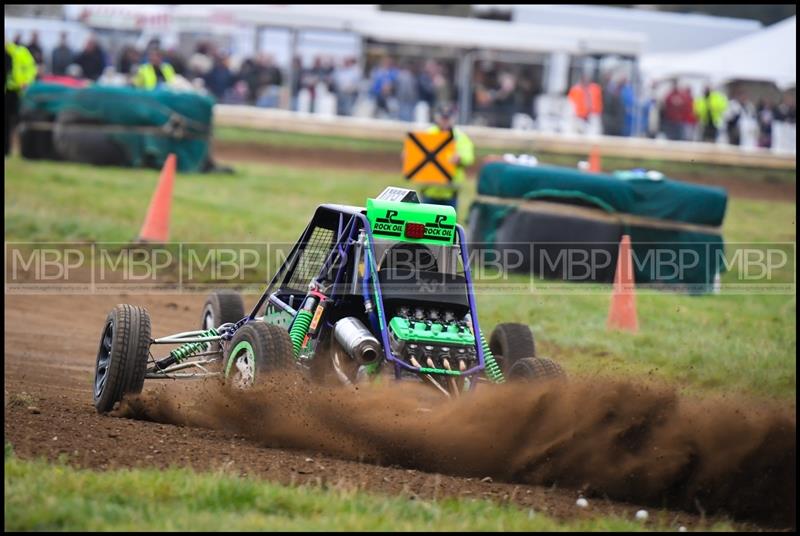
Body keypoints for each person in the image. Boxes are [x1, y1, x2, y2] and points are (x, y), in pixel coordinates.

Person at [415, 104, 475, 213]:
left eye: (448, 118)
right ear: (437, 117)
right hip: (429, 190)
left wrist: (460, 158)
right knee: (425, 225)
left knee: (448, 227)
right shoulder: (428, 134)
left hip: (450, 192)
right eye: (443, 118)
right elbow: (414, 153)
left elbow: (469, 156)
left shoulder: (459, 136)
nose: (445, 121)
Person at [5, 37, 38, 156]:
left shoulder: (20, 52)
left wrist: (27, 82)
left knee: (14, 121)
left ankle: (14, 149)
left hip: (15, 92)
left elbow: (31, 68)